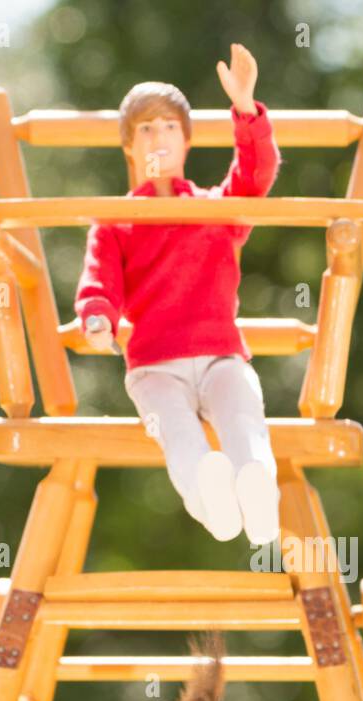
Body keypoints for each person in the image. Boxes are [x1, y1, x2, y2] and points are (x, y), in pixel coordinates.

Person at [75, 43, 281, 544]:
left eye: (168, 126)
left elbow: (255, 177)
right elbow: (98, 281)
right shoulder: (118, 219)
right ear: (129, 147)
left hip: (221, 356)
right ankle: (214, 500)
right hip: (153, 366)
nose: (158, 137)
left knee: (242, 411)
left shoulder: (215, 210)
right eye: (145, 129)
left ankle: (257, 491)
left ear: (186, 141)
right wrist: (98, 318)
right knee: (175, 430)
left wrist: (246, 108)